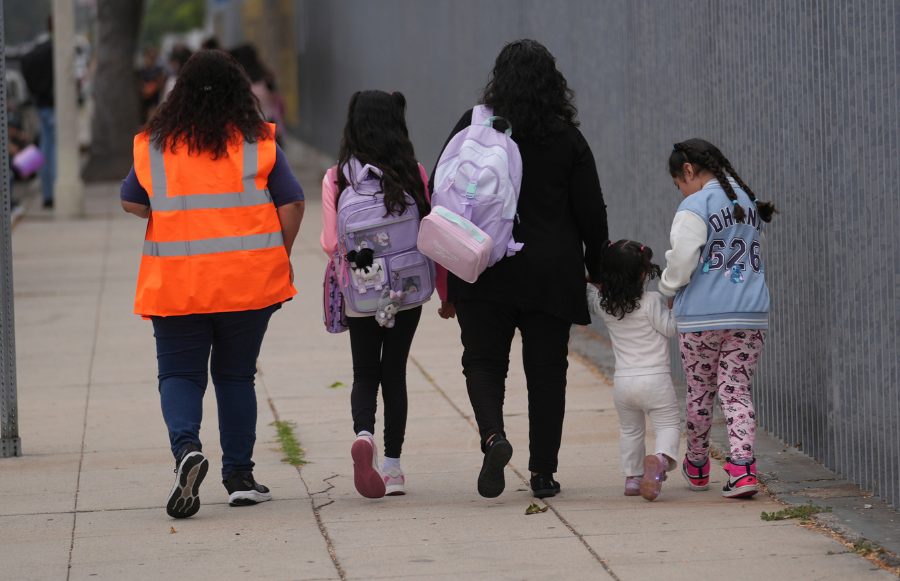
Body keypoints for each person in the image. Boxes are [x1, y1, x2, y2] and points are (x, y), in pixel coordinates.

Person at [119, 49, 305, 519]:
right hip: (247, 284)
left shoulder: (155, 145)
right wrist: (278, 256)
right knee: (236, 375)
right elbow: (292, 204)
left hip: (177, 285)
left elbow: (132, 203)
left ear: (180, 91)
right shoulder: (257, 143)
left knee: (180, 375)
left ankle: (187, 450)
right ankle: (239, 478)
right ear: (238, 91)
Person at [431, 39, 609, 500]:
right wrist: (598, 268)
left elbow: (441, 188)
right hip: (550, 271)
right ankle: (543, 474)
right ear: (553, 82)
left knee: (483, 362)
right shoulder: (566, 137)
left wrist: (446, 275)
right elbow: (591, 211)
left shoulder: (475, 126)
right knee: (547, 372)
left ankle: (494, 437)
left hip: (484, 262)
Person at [320, 90, 434, 499]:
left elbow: (330, 242)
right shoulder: (413, 173)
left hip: (361, 291)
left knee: (365, 372)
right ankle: (393, 469)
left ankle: (364, 435)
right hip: (406, 290)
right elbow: (430, 231)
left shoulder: (337, 178)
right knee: (395, 372)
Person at [659, 139, 778, 498]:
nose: (681, 190)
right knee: (735, 389)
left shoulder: (694, 206)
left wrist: (667, 290)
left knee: (701, 391)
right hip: (749, 314)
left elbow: (682, 261)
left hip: (702, 318)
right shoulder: (748, 202)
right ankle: (743, 468)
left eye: (678, 183)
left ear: (688, 170)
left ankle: (697, 465)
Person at [586, 240, 679, 501]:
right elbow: (671, 328)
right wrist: (675, 304)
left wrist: (590, 279)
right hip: (655, 380)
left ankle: (633, 477)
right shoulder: (652, 301)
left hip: (623, 384)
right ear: (642, 274)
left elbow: (589, 294)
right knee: (667, 425)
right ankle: (660, 459)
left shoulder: (605, 305)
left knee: (630, 431)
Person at [20, 21, 55, 209]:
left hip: (41, 105)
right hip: (54, 105)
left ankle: (47, 193)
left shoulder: (36, 50)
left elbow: (25, 62)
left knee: (44, 148)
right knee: (55, 150)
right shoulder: (54, 50)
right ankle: (54, 192)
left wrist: (37, 91)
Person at [138, 47, 166, 123]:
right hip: (143, 98)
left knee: (151, 116)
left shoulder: (158, 71)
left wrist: (153, 87)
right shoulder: (141, 71)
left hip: (154, 97)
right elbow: (139, 83)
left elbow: (161, 84)